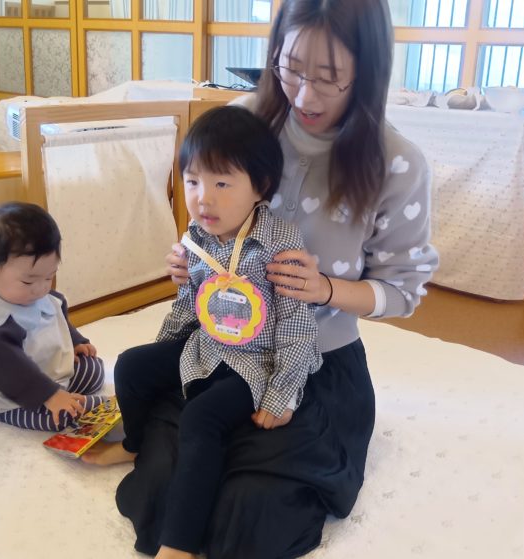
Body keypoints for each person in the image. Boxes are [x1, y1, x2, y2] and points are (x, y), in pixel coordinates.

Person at [117, 0, 439, 557]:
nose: (305, 96)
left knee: (249, 513)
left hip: (315, 363)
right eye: (291, 68)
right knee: (168, 482)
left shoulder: (397, 163)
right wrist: (190, 261)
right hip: (223, 344)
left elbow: (404, 291)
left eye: (329, 78)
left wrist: (327, 289)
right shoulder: (245, 120)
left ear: (368, 71)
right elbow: (205, 208)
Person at [83, 106, 322, 559]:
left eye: (222, 184)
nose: (203, 198)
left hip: (258, 363)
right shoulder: (197, 235)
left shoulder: (280, 244)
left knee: (200, 418)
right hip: (207, 345)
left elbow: (297, 325)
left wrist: (281, 394)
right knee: (131, 365)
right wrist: (163, 355)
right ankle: (134, 445)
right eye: (192, 182)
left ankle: (179, 544)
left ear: (260, 186)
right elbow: (188, 303)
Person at [0, 202, 105, 431]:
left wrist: (75, 341)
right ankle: (80, 405)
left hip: (46, 372)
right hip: (10, 394)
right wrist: (50, 395)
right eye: (28, 281)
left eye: (49, 277)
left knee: (93, 370)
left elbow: (56, 316)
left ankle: (68, 397)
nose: (41, 288)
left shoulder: (32, 292)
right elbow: (9, 370)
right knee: (58, 417)